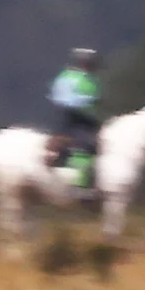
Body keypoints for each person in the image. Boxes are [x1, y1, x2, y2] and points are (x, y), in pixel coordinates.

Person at [49, 47, 102, 187]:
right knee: (84, 145)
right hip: (71, 119)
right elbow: (61, 98)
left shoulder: (91, 79)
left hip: (88, 119)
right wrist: (86, 100)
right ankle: (78, 183)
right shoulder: (67, 77)